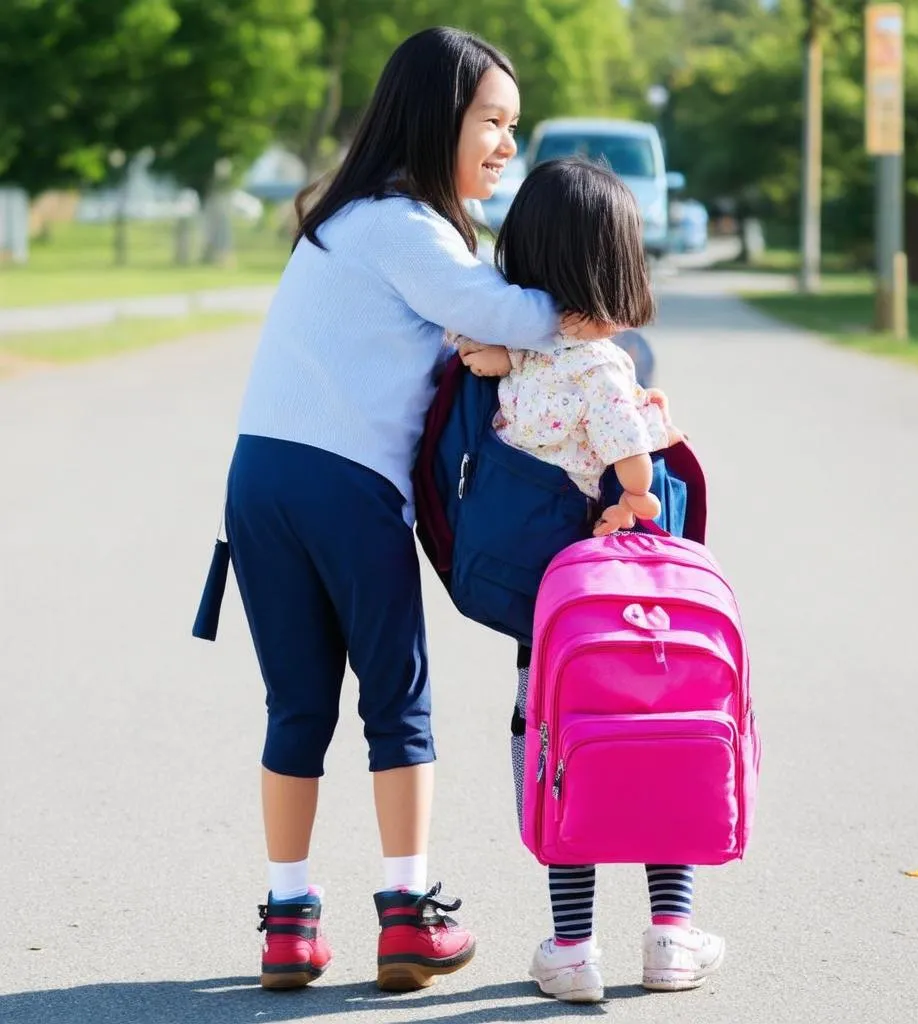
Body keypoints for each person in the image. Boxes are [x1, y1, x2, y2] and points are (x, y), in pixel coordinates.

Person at [221, 27, 608, 993]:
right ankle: (408, 913)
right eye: (493, 121)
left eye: (513, 128)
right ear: (440, 114)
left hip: (257, 481)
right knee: (396, 703)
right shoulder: (409, 227)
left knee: (297, 704)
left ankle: (288, 922)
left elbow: (448, 336)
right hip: (348, 487)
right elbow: (520, 316)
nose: (506, 145)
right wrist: (600, 309)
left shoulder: (341, 225)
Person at [456, 159, 725, 1002]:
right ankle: (671, 938)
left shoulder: (525, 362)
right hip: (628, 607)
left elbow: (498, 376)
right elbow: (627, 457)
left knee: (559, 756)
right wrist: (639, 493)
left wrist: (487, 350)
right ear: (619, 262)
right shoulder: (604, 368)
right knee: (657, 742)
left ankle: (571, 948)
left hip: (552, 615)